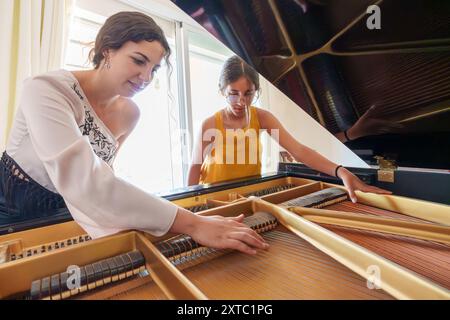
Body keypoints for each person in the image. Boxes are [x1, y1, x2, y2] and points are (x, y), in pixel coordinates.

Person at [0, 12, 268, 255]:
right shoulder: (46, 89)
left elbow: (104, 173)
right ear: (107, 50)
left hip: (79, 214)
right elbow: (85, 180)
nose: (146, 77)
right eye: (139, 61)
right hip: (14, 217)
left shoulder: (130, 113)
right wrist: (194, 224)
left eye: (154, 69)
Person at [188, 56, 391, 203]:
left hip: (248, 199)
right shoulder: (209, 124)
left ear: (255, 91)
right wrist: (190, 206)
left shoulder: (262, 117)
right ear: (222, 91)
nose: (241, 101)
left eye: (248, 94)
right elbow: (194, 169)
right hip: (212, 200)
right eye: (233, 93)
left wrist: (342, 172)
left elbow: (299, 151)